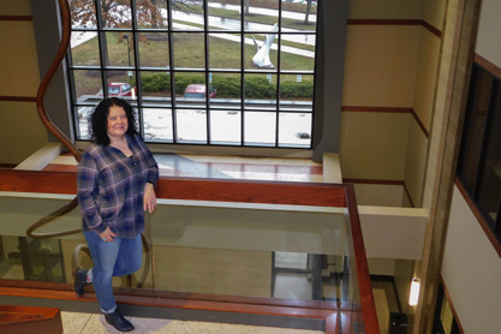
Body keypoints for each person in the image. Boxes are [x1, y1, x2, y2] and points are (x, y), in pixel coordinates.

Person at [75, 97, 159, 332]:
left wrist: (149, 184)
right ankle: (109, 312)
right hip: (103, 225)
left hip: (131, 220)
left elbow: (152, 166)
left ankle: (86, 276)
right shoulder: (93, 154)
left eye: (123, 116)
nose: (119, 121)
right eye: (113, 117)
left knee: (132, 263)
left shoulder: (136, 141)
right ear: (103, 122)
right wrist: (99, 227)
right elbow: (84, 195)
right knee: (106, 272)